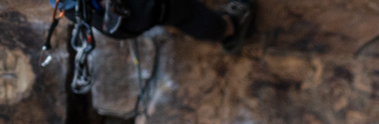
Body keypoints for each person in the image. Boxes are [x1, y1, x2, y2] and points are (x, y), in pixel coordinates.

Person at [54, 0, 254, 55]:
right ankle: (230, 29)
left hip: (109, 19)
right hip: (131, 9)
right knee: (185, 12)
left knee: (178, 13)